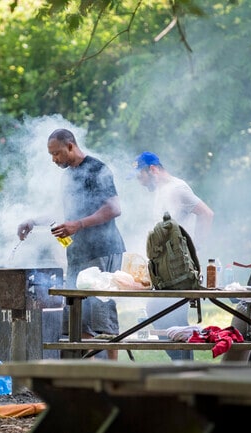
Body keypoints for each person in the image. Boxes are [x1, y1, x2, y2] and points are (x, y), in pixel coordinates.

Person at [18, 128, 126, 360]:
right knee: (78, 316)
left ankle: (112, 375)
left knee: (101, 314)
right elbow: (63, 211)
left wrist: (78, 224)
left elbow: (114, 208)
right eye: (51, 155)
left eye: (57, 153)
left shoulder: (97, 168)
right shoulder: (68, 175)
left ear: (70, 146)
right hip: (78, 253)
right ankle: (88, 371)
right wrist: (33, 221)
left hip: (103, 250)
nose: (54, 159)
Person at [132, 151, 214, 361]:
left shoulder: (177, 188)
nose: (140, 182)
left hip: (179, 272)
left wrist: (197, 250)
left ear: (152, 169)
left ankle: (185, 374)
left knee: (169, 319)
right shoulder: (162, 191)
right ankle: (184, 372)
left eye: (140, 176)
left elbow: (206, 213)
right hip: (167, 271)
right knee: (166, 319)